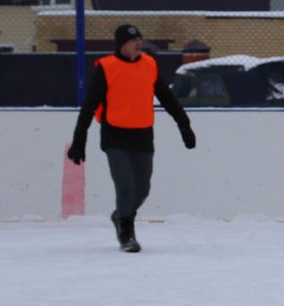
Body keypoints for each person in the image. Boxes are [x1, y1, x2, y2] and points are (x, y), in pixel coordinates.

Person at [67, 24, 196, 253]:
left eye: (140, 39)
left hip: (143, 135)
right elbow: (88, 107)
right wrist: (79, 141)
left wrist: (184, 125)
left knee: (142, 188)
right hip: (115, 135)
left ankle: (120, 216)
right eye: (132, 40)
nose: (138, 43)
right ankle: (127, 233)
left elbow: (167, 98)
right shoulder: (106, 68)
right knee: (125, 186)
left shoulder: (149, 65)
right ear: (121, 44)